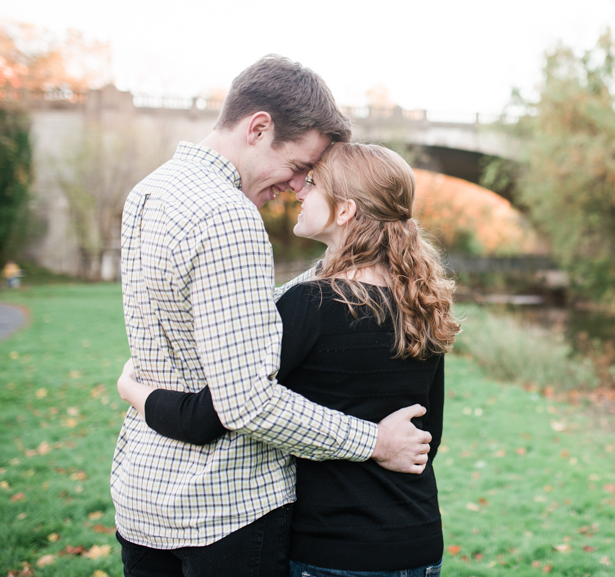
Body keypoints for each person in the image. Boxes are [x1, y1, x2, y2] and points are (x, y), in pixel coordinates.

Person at [112, 56, 433, 577]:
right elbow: (247, 402)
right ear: (258, 128)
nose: (296, 184)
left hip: (145, 496)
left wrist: (138, 393)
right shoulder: (230, 214)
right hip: (225, 506)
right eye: (300, 166)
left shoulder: (150, 191)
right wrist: (375, 440)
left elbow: (229, 315)